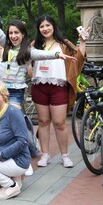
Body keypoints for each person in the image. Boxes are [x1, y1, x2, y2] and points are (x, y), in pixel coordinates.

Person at [0, 0, 76, 108]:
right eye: (11, 33)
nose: (13, 36)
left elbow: (41, 54)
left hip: (15, 91)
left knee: (13, 114)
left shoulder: (28, 51)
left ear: (23, 34)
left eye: (16, 33)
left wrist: (57, 54)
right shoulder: (6, 44)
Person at [31, 14, 87, 168]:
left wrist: (82, 41)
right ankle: (45, 155)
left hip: (58, 87)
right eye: (42, 26)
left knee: (60, 123)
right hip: (39, 86)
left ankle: (65, 155)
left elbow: (79, 58)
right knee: (43, 122)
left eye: (47, 25)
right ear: (38, 29)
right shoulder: (35, 45)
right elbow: (27, 63)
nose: (45, 29)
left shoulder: (64, 44)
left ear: (53, 26)